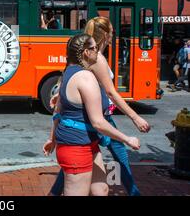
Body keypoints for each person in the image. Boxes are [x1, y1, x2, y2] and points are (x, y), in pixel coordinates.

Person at [47, 16, 150, 196]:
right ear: (87, 52)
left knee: (100, 189)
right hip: (80, 139)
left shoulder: (72, 69)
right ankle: (134, 193)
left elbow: (59, 109)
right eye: (93, 48)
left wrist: (53, 139)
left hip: (88, 140)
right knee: (81, 180)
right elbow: (99, 119)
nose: (98, 51)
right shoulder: (88, 73)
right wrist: (129, 135)